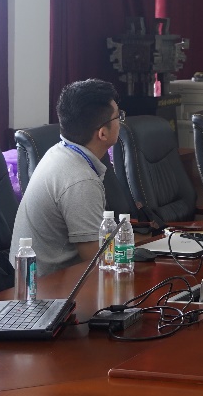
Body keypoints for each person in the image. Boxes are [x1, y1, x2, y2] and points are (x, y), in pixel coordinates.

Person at [12, 79, 122, 276]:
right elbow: (98, 262)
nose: (121, 122)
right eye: (118, 117)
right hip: (49, 287)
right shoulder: (80, 180)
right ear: (103, 133)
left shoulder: (59, 151)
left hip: (44, 279)